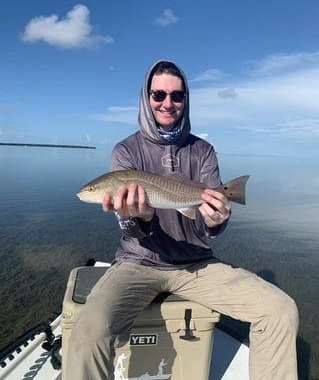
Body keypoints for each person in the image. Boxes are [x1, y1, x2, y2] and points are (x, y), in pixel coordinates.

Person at [66, 60, 299, 380]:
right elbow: (128, 228)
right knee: (87, 333)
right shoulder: (125, 151)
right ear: (146, 97)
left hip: (196, 264)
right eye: (158, 94)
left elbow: (206, 226)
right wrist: (142, 218)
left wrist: (217, 218)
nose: (168, 103)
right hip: (138, 262)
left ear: (186, 100)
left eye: (177, 96)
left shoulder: (202, 151)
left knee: (280, 311)